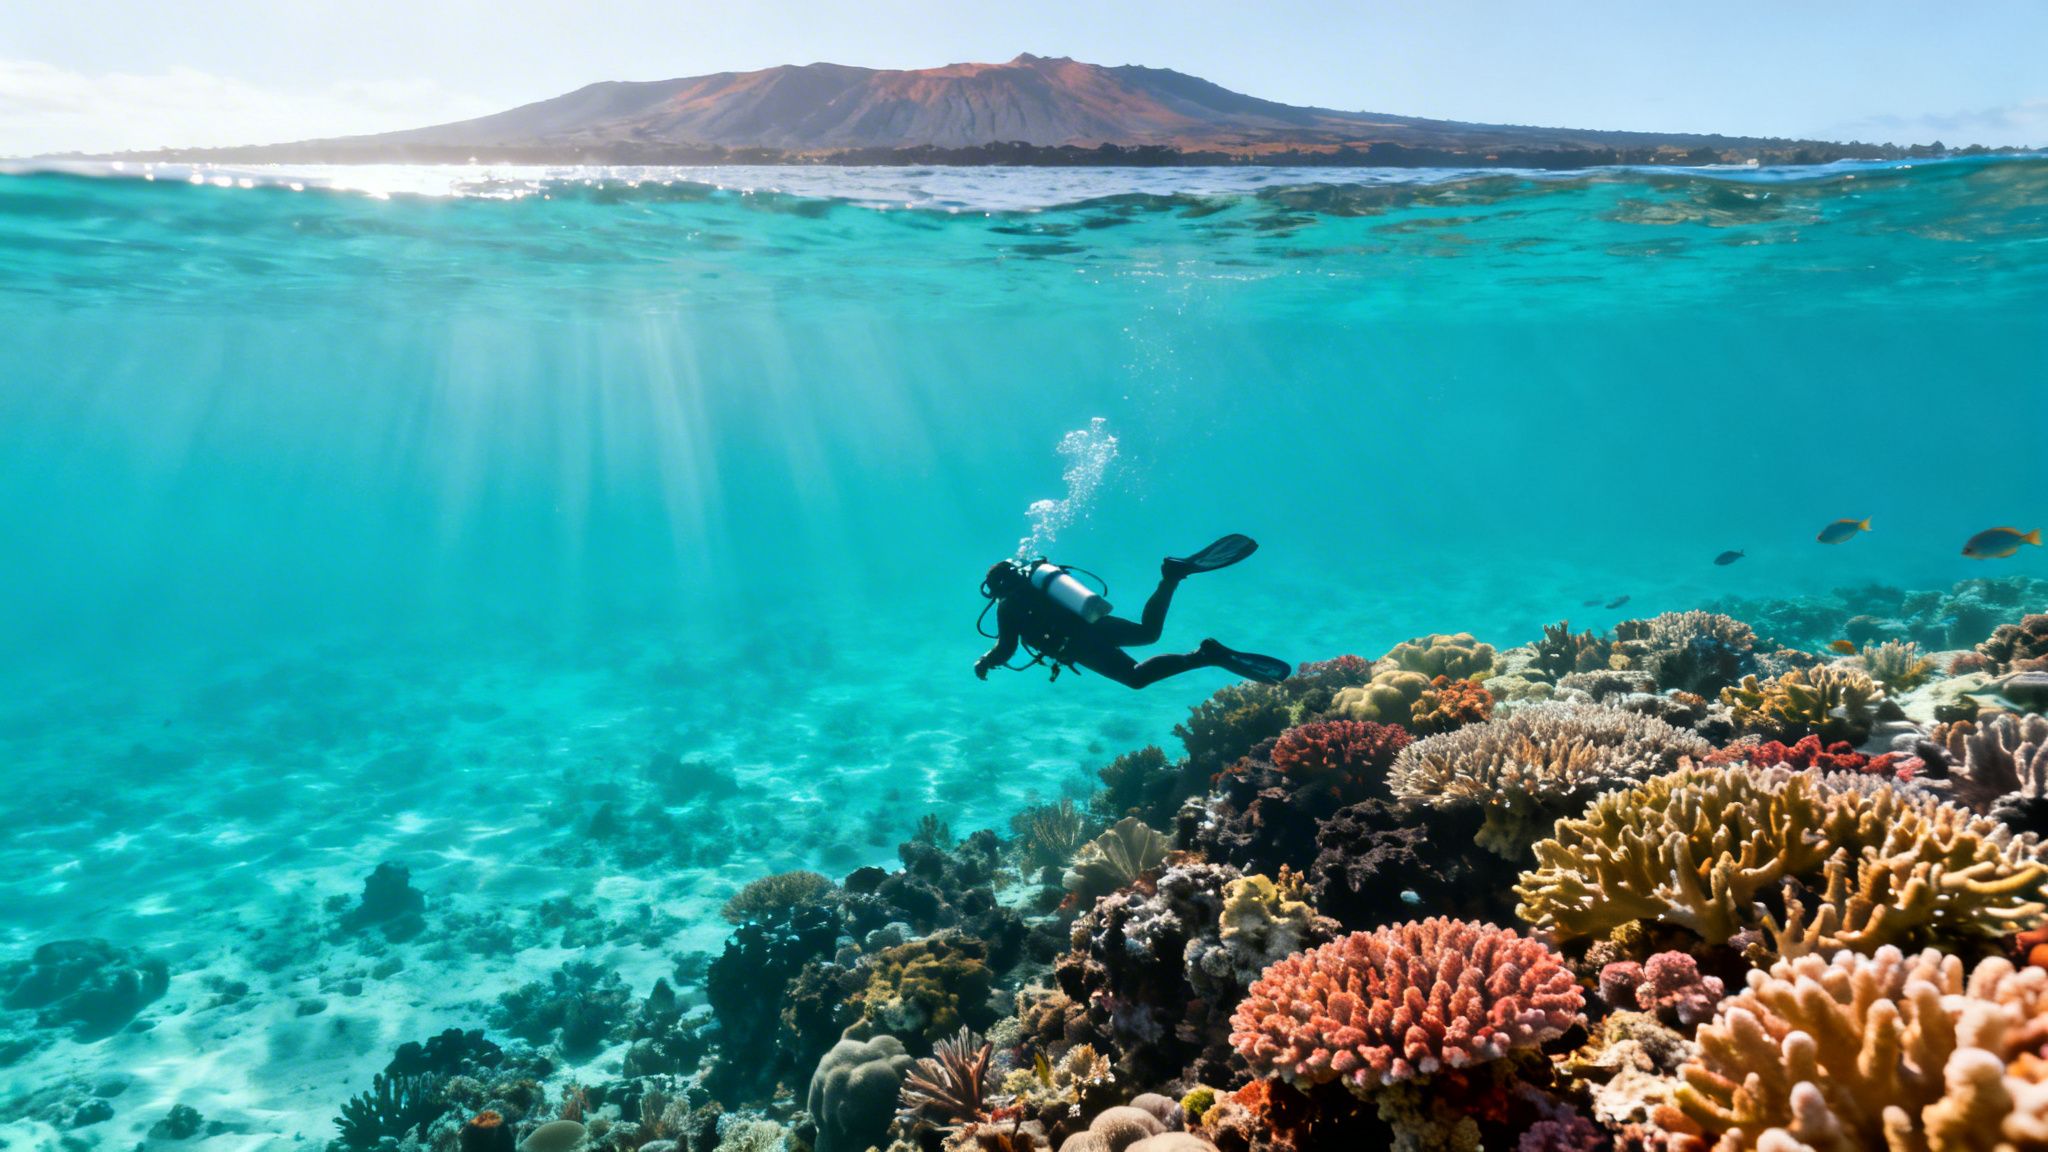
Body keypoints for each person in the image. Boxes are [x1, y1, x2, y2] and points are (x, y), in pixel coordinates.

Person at [972, 534, 1289, 689]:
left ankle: (1206, 656)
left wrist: (985, 662)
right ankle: (1171, 577)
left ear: (996, 588)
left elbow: (1007, 647)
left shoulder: (1008, 607)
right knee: (1148, 633)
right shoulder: (1038, 581)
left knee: (1135, 678)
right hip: (1095, 623)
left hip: (1079, 645)